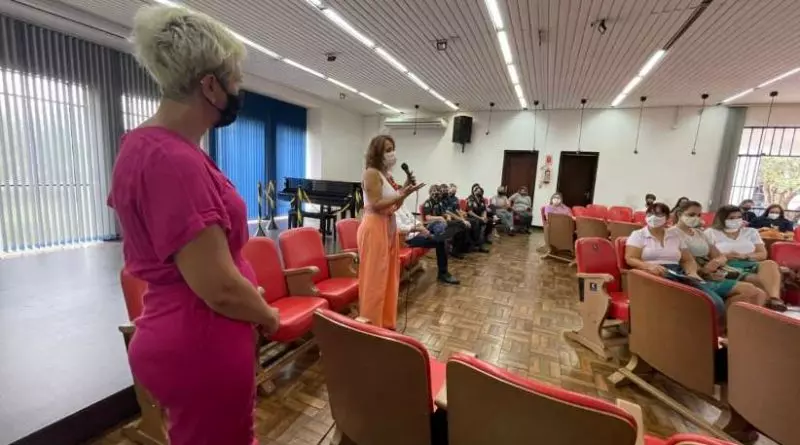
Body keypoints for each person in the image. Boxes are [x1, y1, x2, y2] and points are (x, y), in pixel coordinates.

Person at [106, 6, 280, 444]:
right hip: (202, 343)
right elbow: (218, 288)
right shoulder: (171, 160)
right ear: (210, 85)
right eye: (235, 79)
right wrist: (267, 315)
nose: (239, 90)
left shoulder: (154, 146)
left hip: (193, 335)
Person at [358, 135, 424, 328]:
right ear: (377, 152)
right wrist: (401, 193)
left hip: (388, 225)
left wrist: (405, 190)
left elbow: (394, 206)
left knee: (389, 276)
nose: (392, 153)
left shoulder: (386, 176)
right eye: (387, 149)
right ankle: (371, 324)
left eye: (393, 149)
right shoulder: (371, 173)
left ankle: (385, 322)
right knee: (375, 278)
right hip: (374, 227)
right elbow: (377, 204)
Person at [624, 203, 733, 315]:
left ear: (667, 218)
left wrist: (692, 272)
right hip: (653, 273)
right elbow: (630, 258)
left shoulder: (674, 235)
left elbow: (687, 260)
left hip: (677, 272)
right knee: (687, 301)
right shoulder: (638, 235)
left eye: (659, 214)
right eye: (650, 214)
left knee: (713, 301)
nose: (653, 217)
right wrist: (649, 266)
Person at [669, 201, 767, 312]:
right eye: (691, 215)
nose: (696, 218)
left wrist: (716, 263)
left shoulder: (699, 233)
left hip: (713, 270)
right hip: (694, 274)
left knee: (760, 293)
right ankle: (719, 319)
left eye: (699, 215)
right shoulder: (672, 234)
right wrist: (705, 272)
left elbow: (719, 256)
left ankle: (734, 321)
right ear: (679, 214)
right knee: (750, 290)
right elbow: (684, 261)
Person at [704, 205, 787, 311]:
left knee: (770, 263)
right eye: (731, 218)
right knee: (760, 281)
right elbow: (707, 254)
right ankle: (761, 311)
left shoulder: (751, 232)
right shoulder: (711, 232)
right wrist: (725, 255)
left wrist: (745, 255)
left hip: (750, 262)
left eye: (739, 217)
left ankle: (774, 299)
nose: (736, 220)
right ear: (721, 219)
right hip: (728, 265)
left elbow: (762, 254)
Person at [395, 205, 459, 284]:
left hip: (418, 232)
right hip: (409, 238)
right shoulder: (393, 210)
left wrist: (422, 228)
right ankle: (443, 273)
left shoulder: (402, 206)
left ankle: (438, 237)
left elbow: (414, 219)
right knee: (440, 242)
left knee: (438, 226)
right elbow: (401, 228)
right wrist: (419, 229)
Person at [445, 183, 487, 252]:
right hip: (452, 218)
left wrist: (463, 215)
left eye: (455, 191)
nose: (454, 192)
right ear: (448, 190)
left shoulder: (455, 199)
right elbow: (448, 212)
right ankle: (473, 244)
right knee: (468, 225)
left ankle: (474, 243)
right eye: (452, 191)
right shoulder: (445, 199)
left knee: (474, 222)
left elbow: (458, 210)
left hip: (458, 217)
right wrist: (462, 219)